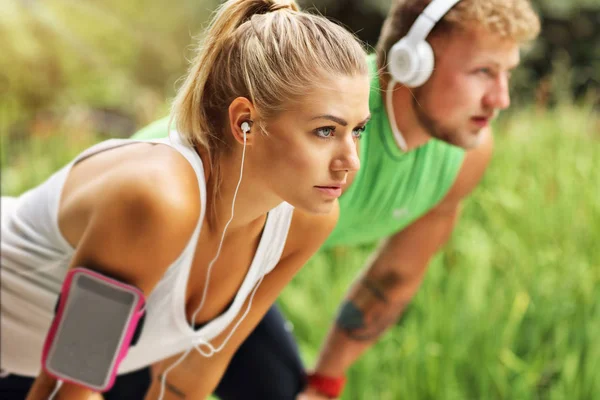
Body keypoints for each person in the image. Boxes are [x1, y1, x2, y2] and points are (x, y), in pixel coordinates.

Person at [131, 0, 542, 399]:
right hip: (145, 241)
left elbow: (393, 277)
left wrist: (324, 383)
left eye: (507, 72)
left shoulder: (465, 154)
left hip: (230, 268)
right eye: (483, 72)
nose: (500, 98)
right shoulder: (322, 118)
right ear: (412, 60)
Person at [0, 0, 373, 399]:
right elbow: (63, 388)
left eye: (357, 130)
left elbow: (189, 376)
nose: (350, 160)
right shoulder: (157, 201)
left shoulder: (306, 222)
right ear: (244, 122)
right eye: (324, 131)